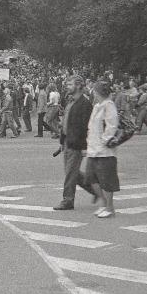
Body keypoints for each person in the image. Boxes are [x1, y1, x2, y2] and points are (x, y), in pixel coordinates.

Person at [54, 76, 96, 211]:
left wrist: (84, 147)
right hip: (67, 141)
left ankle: (68, 200)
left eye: (70, 84)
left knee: (70, 173)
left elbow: (87, 126)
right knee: (73, 173)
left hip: (76, 143)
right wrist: (62, 141)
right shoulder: (70, 101)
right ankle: (97, 189)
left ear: (78, 86)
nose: (67, 86)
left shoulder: (85, 104)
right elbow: (66, 122)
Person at [86, 81, 120, 218]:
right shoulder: (97, 106)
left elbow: (112, 125)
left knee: (106, 180)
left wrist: (104, 140)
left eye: (94, 91)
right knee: (91, 178)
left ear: (98, 92)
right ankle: (103, 203)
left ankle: (110, 208)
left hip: (105, 151)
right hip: (92, 148)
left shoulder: (109, 105)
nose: (93, 93)